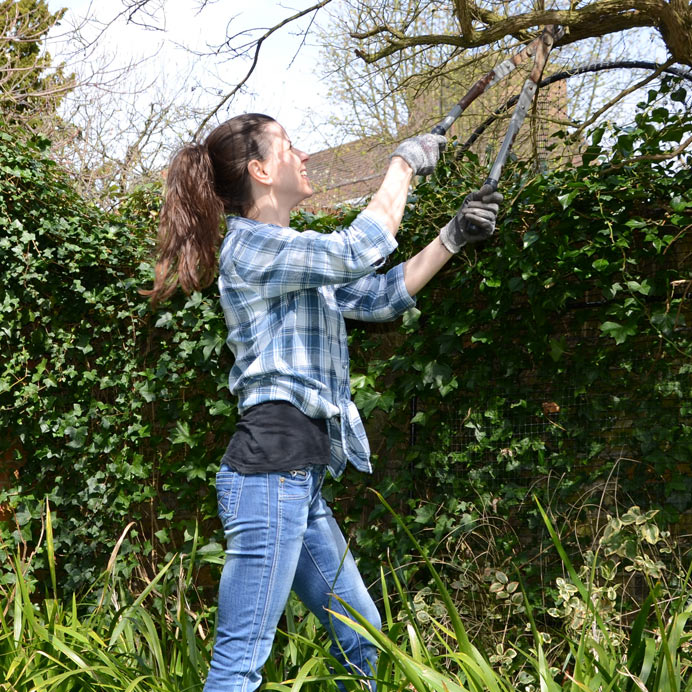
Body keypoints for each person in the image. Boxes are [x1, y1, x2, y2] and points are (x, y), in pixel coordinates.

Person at [144, 113, 502, 692]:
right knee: (239, 666)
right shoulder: (250, 247)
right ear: (261, 170)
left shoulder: (292, 255)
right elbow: (358, 249)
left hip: (298, 480)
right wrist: (402, 165)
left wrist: (451, 238)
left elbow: (378, 294)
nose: (303, 154)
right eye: (289, 145)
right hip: (269, 474)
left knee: (362, 638)